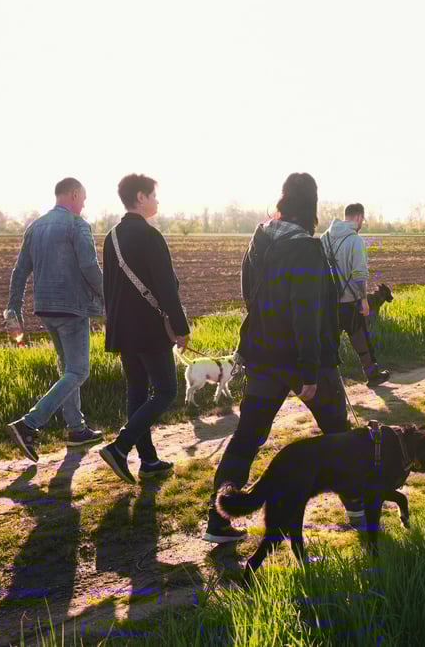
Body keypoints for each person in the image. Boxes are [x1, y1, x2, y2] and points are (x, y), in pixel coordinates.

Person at [203, 172, 363, 543]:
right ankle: (358, 508)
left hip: (263, 355)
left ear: (282, 200)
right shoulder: (306, 249)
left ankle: (217, 519)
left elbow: (249, 295)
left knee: (246, 438)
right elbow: (306, 314)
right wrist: (309, 371)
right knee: (338, 433)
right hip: (308, 361)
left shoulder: (257, 241)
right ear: (311, 205)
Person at [5, 178, 105, 462]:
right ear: (73, 195)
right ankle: (28, 424)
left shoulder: (35, 227)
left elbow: (20, 271)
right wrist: (110, 296)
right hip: (72, 308)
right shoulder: (77, 225)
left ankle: (76, 429)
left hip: (45, 309)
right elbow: (89, 267)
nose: (84, 204)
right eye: (83, 198)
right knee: (79, 371)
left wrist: (14, 309)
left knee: (68, 370)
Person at [97, 174, 189, 484]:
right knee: (166, 391)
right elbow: (166, 287)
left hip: (123, 328)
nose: (157, 201)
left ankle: (148, 460)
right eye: (153, 195)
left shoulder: (112, 236)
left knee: (137, 390)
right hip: (149, 328)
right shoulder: (151, 236)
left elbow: (109, 286)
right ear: (140, 197)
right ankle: (121, 447)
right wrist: (180, 327)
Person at [321, 202, 390, 386]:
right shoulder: (355, 240)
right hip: (350, 301)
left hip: (329, 303)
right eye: (363, 220)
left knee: (327, 344)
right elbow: (360, 274)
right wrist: (364, 300)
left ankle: (326, 383)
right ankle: (373, 376)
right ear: (358, 217)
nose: (362, 224)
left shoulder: (324, 238)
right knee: (361, 340)